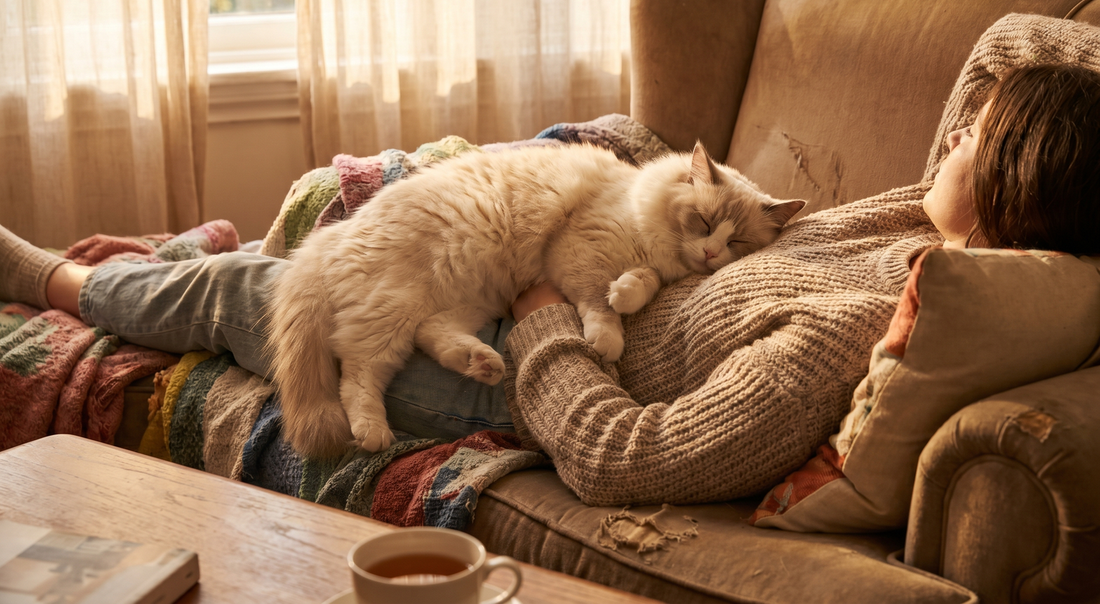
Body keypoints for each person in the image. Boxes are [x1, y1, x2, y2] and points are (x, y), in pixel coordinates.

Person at [2, 62, 1099, 507]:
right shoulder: (915, 217)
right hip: (578, 268)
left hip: (529, 373)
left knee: (268, 293)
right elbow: (1027, 44)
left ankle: (57, 281)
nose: (949, 131)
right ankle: (164, 264)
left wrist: (539, 327)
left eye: (975, 133)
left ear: (1011, 178)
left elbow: (637, 457)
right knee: (367, 226)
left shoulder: (861, 319)